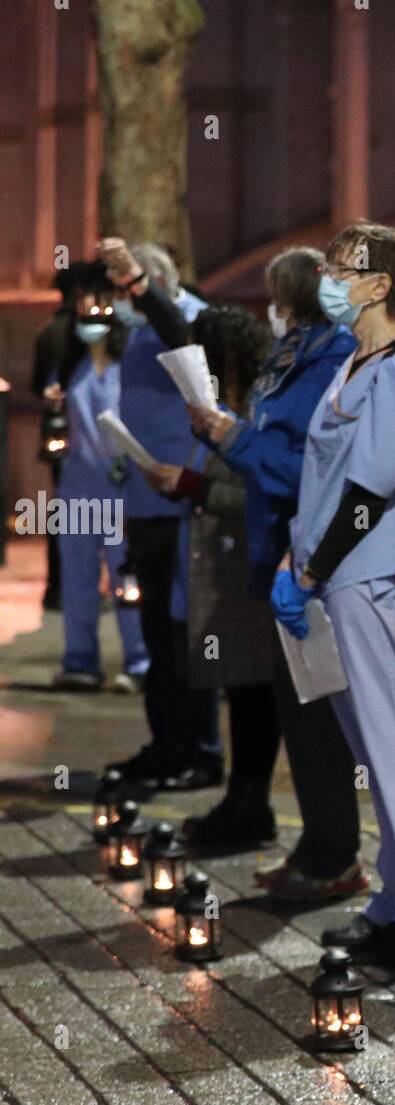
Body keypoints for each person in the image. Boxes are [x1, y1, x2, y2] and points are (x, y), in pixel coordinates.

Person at [273, 222, 395, 965]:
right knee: (371, 748)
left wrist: (312, 570)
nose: (330, 279)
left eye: (343, 269)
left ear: (382, 284)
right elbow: (321, 483)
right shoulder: (354, 363)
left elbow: (368, 489)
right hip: (329, 573)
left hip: (365, 572)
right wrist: (299, 566)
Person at [186, 248, 368, 898]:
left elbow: (309, 468)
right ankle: (319, 849)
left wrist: (235, 440)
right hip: (278, 557)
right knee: (301, 718)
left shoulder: (328, 359)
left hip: (311, 562)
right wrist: (225, 435)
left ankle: (333, 857)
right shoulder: (291, 356)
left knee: (319, 721)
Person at [143, 305, 283, 848]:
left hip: (251, 572)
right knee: (243, 693)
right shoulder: (225, 410)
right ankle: (244, 799)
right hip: (226, 574)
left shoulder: (258, 414)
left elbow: (262, 493)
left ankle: (251, 804)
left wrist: (194, 489)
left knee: (255, 695)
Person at [99, 238, 221, 791]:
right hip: (146, 502)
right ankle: (166, 743)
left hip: (184, 499)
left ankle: (199, 750)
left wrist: (139, 290)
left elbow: (185, 342)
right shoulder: (138, 331)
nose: (118, 299)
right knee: (153, 633)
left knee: (185, 633)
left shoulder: (189, 317)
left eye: (126, 287)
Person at [46, 260, 148, 691]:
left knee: (127, 581)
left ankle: (139, 662)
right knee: (78, 579)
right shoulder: (70, 369)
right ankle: (80, 662)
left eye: (99, 305)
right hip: (78, 487)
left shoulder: (133, 364)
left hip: (123, 487)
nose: (91, 314)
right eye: (85, 306)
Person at [33, 263, 91, 613]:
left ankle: (58, 586)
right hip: (86, 440)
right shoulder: (79, 332)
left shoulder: (49, 331)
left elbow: (39, 383)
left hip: (59, 439)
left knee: (64, 511)